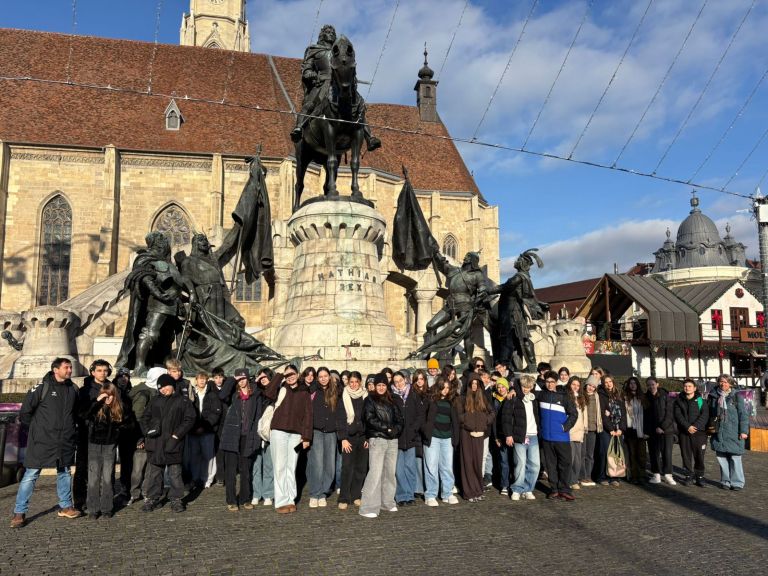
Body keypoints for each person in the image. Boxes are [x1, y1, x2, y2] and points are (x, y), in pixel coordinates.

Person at [11, 358, 82, 528]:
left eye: (70, 367)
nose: (70, 370)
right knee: (31, 474)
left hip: (64, 440)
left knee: (64, 472)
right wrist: (37, 431)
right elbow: (25, 412)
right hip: (41, 441)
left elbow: (76, 413)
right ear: (55, 370)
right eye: (66, 367)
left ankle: (66, 506)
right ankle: (19, 512)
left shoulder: (73, 388)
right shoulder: (41, 387)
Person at [290, 24, 381, 151]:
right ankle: (299, 128)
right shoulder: (314, 50)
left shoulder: (338, 52)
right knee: (309, 105)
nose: (332, 34)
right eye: (328, 32)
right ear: (322, 35)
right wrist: (310, 73)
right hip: (322, 83)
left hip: (338, 82)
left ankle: (369, 137)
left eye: (333, 32)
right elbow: (306, 69)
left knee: (358, 105)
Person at [140, 374, 195, 513]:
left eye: (165, 386)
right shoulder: (154, 400)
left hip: (173, 442)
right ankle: (152, 498)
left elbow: (190, 419)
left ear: (172, 385)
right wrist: (147, 431)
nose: (163, 390)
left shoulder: (183, 400)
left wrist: (177, 435)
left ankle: (176, 499)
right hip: (155, 442)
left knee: (175, 473)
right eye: (160, 388)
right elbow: (144, 418)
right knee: (154, 473)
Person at [267, 364, 312, 514]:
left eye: (292, 374)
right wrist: (279, 376)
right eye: (287, 375)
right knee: (280, 466)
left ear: (298, 374)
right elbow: (268, 393)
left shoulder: (304, 391)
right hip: (278, 431)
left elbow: (308, 415)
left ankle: (290, 499)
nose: (290, 377)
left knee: (291, 467)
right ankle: (281, 501)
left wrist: (306, 437)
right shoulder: (281, 388)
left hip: (296, 434)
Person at [83, 383, 131, 519]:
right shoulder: (96, 407)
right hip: (94, 444)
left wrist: (118, 431)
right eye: (105, 396)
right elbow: (85, 415)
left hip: (110, 445)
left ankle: (106, 508)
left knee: (107, 477)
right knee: (93, 478)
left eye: (110, 396)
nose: (108, 399)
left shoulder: (120, 408)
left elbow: (129, 424)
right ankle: (93, 509)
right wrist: (98, 402)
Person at [359, 374, 403, 518]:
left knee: (389, 473)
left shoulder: (392, 400)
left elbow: (400, 419)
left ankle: (387, 502)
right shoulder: (369, 400)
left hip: (392, 440)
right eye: (379, 385)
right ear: (375, 386)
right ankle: (367, 507)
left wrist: (396, 429)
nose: (381, 387)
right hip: (377, 439)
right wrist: (387, 429)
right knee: (375, 473)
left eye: (384, 385)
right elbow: (369, 419)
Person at [219, 368, 263, 511]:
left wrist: (255, 437)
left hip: (247, 436)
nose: (241, 381)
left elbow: (258, 416)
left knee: (246, 470)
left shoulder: (255, 394)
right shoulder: (233, 393)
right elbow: (222, 395)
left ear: (248, 379)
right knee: (231, 470)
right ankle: (231, 500)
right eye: (239, 379)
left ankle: (245, 498)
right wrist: (232, 379)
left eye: (243, 378)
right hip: (231, 435)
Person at [73, 358, 112, 511]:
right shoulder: (85, 390)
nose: (103, 373)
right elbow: (82, 413)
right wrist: (97, 401)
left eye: (105, 370)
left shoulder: (112, 388)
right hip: (87, 434)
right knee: (82, 469)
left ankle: (103, 500)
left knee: (105, 471)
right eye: (99, 370)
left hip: (107, 435)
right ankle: (80, 501)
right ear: (93, 372)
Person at [421, 376, 461, 507]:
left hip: (447, 438)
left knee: (447, 467)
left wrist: (455, 437)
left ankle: (447, 493)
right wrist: (426, 431)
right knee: (431, 466)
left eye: (448, 388)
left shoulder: (452, 401)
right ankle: (430, 495)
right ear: (438, 387)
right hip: (433, 438)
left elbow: (455, 421)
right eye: (443, 387)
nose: (445, 390)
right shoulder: (430, 399)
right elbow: (422, 417)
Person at [538, 371, 578, 500]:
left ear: (556, 382)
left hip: (561, 437)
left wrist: (564, 427)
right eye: (547, 382)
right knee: (551, 465)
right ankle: (554, 489)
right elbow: (522, 386)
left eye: (552, 382)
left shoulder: (564, 396)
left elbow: (574, 414)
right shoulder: (541, 395)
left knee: (565, 463)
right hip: (546, 437)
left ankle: (565, 489)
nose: (550, 384)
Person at [501, 375, 541, 501]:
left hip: (533, 435)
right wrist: (508, 435)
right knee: (520, 464)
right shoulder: (513, 398)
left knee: (535, 465)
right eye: (524, 386)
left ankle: (528, 489)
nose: (526, 389)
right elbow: (506, 417)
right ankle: (517, 489)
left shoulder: (534, 398)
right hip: (519, 436)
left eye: (529, 387)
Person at [127, 367, 162, 505]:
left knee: (150, 467)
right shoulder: (143, 394)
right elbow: (138, 418)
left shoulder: (155, 391)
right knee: (138, 468)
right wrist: (140, 438)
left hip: (152, 436)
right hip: (142, 437)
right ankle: (134, 493)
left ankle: (146, 491)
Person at [457, 374, 495, 503]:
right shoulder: (462, 399)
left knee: (477, 464)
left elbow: (492, 413)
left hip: (479, 435)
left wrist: (483, 424)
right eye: (472, 383)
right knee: (467, 463)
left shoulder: (483, 398)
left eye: (476, 383)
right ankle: (469, 492)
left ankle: (478, 490)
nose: (474, 385)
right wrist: (471, 425)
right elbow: (459, 416)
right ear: (468, 385)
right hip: (466, 434)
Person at [708, 374, 749, 490]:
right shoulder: (713, 396)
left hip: (734, 432)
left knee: (735, 457)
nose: (723, 384)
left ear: (730, 383)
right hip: (719, 432)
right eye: (721, 381)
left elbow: (743, 415)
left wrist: (744, 431)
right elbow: (709, 414)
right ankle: (725, 481)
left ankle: (737, 482)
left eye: (726, 382)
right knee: (722, 458)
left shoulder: (736, 396)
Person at [308, 366, 340, 508]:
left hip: (331, 432)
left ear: (329, 377)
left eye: (325, 376)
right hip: (317, 431)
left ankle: (323, 492)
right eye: (320, 376)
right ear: (317, 378)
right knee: (317, 464)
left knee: (330, 465)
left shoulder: (336, 391)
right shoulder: (313, 390)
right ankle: (315, 493)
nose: (323, 379)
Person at [336, 371, 368, 510]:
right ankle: (344, 497)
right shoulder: (343, 396)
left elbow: (369, 418)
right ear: (348, 382)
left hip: (363, 437)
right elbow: (340, 419)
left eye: (356, 382)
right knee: (347, 467)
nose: (354, 384)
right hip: (349, 437)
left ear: (360, 382)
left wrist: (368, 437)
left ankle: (356, 495)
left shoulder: (366, 396)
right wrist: (343, 438)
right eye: (351, 382)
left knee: (361, 468)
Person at [391, 371, 424, 506]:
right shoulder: (392, 396)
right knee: (399, 470)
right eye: (396, 382)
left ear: (405, 380)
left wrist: (413, 428)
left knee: (410, 468)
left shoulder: (413, 394)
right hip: (398, 437)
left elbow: (420, 415)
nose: (399, 383)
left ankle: (410, 495)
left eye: (400, 380)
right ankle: (401, 496)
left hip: (411, 437)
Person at [186, 371, 222, 490]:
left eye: (204, 378)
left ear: (207, 380)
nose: (202, 381)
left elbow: (216, 412)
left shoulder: (212, 394)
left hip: (208, 430)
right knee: (194, 455)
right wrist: (193, 427)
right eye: (199, 378)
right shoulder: (192, 393)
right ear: (196, 380)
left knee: (208, 455)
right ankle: (195, 478)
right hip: (193, 430)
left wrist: (205, 426)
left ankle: (207, 478)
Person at [673, 378, 709, 487]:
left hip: (699, 433)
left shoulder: (701, 401)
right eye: (685, 386)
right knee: (686, 455)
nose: (687, 388)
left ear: (694, 388)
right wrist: (687, 426)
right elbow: (678, 415)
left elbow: (705, 415)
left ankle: (700, 476)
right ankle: (688, 475)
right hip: (684, 432)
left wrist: (695, 426)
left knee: (699, 455)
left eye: (689, 386)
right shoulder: (678, 401)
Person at [644, 377, 676, 486]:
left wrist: (662, 427)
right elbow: (645, 416)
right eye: (648, 385)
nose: (651, 387)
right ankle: (656, 474)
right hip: (652, 430)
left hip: (666, 430)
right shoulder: (645, 398)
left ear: (657, 384)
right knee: (654, 453)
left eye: (653, 384)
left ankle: (668, 475)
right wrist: (647, 431)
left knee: (667, 453)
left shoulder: (665, 396)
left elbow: (669, 413)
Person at [596, 374, 627, 487]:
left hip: (618, 429)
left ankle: (615, 477)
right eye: (606, 382)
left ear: (613, 382)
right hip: (606, 430)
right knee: (604, 452)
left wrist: (621, 429)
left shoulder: (618, 395)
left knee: (617, 453)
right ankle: (602, 476)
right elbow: (602, 414)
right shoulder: (601, 395)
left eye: (610, 382)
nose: (608, 384)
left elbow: (623, 413)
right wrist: (610, 429)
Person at [251, 368, 275, 506]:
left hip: (269, 433)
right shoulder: (256, 391)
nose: (263, 379)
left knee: (268, 466)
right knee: (256, 466)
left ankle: (268, 494)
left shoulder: (275, 391)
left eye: (265, 376)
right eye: (260, 377)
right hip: (255, 433)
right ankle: (256, 493)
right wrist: (256, 381)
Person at [623, 377, 648, 484]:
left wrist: (646, 431)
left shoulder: (642, 397)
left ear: (638, 385)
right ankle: (634, 475)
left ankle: (642, 475)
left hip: (641, 429)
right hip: (630, 429)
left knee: (641, 455)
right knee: (632, 454)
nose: (633, 385)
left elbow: (647, 415)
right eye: (631, 383)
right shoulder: (625, 398)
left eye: (634, 383)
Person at [491, 377, 512, 495]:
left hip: (513, 435)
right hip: (500, 435)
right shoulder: (494, 400)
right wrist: (496, 437)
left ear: (507, 388)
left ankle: (514, 483)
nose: (501, 389)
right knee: (504, 461)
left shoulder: (512, 398)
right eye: (498, 387)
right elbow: (494, 420)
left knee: (515, 460)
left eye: (503, 387)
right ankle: (505, 484)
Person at [566, 375, 587, 490]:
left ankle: (574, 479)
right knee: (570, 458)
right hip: (569, 431)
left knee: (578, 459)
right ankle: (569, 480)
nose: (575, 387)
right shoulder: (566, 397)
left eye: (578, 385)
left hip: (579, 431)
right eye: (573, 384)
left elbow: (583, 415)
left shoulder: (581, 398)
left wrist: (584, 428)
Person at [581, 375, 601, 485]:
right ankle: (582, 476)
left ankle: (588, 476)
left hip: (593, 429)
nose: (591, 388)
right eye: (589, 385)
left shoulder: (597, 397)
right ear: (586, 385)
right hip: (582, 428)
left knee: (590, 454)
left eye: (593, 386)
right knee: (582, 454)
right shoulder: (581, 396)